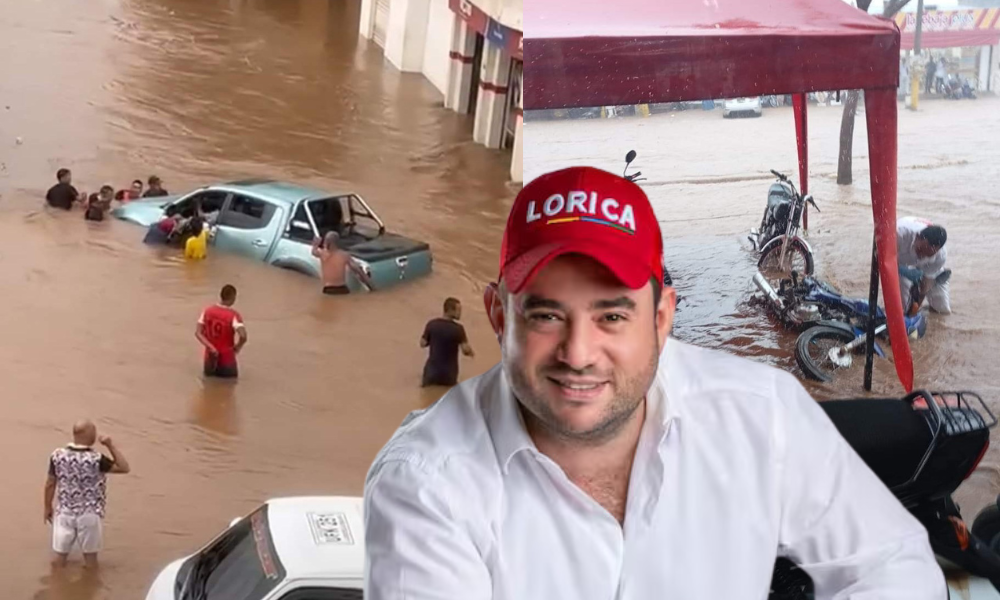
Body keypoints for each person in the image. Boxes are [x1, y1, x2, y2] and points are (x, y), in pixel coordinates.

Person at [363, 166, 945, 599]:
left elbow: (892, 562)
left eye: (612, 316)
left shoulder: (761, 415)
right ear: (497, 316)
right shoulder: (428, 485)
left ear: (663, 319)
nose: (579, 353)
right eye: (545, 315)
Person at [44, 420, 130, 569]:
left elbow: (50, 483)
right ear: (89, 435)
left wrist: (47, 507)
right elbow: (124, 467)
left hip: (64, 513)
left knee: (60, 559)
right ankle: (90, 587)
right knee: (91, 560)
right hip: (89, 514)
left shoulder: (57, 456)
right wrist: (110, 445)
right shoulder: (96, 459)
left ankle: (58, 587)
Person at [897, 216, 950, 315]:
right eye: (920, 250)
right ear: (917, 237)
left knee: (942, 310)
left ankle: (937, 281)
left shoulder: (940, 256)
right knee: (902, 308)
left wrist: (915, 309)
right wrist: (901, 270)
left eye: (928, 254)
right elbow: (881, 259)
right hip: (899, 260)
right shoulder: (899, 234)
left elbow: (925, 285)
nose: (922, 255)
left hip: (927, 267)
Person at [420, 297, 474, 387]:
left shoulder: (432, 324)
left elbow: (422, 343)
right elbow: (465, 350)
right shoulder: (458, 329)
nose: (460, 313)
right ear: (450, 311)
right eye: (458, 310)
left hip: (431, 373)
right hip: (449, 376)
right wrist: (471, 352)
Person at [196, 284, 247, 379]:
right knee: (230, 389)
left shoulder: (207, 311)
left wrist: (210, 347)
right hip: (227, 360)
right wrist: (237, 347)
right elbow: (243, 336)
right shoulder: (233, 315)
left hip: (209, 359)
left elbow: (198, 333)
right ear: (233, 297)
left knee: (208, 388)